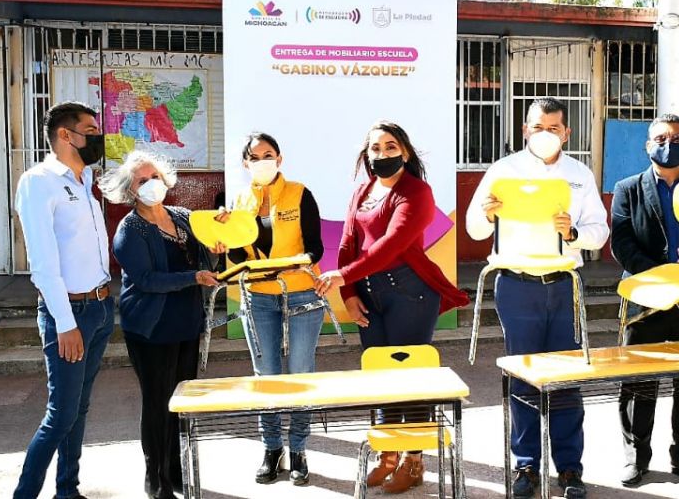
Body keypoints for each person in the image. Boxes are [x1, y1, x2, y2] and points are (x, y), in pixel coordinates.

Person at [464, 97, 609, 499]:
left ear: (567, 132)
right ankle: (526, 465)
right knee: (523, 379)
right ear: (525, 129)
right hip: (516, 286)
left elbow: (600, 231)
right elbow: (474, 228)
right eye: (537, 127)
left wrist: (574, 232)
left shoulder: (580, 174)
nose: (545, 134)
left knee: (565, 378)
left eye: (554, 128)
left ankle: (569, 468)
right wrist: (489, 214)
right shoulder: (502, 171)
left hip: (564, 285)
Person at [314, 120, 469, 494]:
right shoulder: (362, 191)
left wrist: (341, 275)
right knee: (379, 377)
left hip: (410, 293)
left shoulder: (417, 192)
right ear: (366, 155)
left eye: (390, 147)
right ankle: (387, 453)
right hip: (368, 295)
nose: (382, 154)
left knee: (410, 378)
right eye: (375, 148)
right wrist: (349, 292)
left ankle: (413, 459)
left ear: (406, 152)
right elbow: (349, 243)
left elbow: (392, 245)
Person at [609, 114, 679, 487]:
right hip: (646, 299)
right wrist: (661, 276)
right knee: (638, 383)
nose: (667, 143)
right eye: (660, 137)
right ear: (647, 145)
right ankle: (636, 457)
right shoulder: (627, 189)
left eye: (676, 137)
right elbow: (622, 244)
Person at [101, 150, 218, 499]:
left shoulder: (183, 216)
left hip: (186, 323)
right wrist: (193, 276)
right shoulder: (130, 229)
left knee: (182, 403)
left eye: (155, 177)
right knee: (157, 401)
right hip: (151, 328)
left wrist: (216, 245)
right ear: (130, 190)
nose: (151, 184)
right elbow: (147, 279)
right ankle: (155, 479)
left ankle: (176, 472)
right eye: (142, 180)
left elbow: (207, 258)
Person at [13, 102, 114, 499]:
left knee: (79, 409)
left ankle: (67, 491)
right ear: (65, 135)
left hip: (101, 307)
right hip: (70, 312)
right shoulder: (39, 182)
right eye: (90, 129)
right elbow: (42, 264)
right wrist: (65, 323)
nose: (97, 137)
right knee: (60, 416)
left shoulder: (85, 179)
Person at [214, 133, 325, 486]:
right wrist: (224, 241)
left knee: (300, 373)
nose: (262, 160)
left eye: (268, 154)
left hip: (301, 295)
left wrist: (290, 266)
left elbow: (316, 248)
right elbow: (237, 258)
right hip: (258, 298)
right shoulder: (240, 201)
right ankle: (271, 448)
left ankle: (299, 450)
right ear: (245, 163)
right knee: (266, 375)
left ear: (279, 159)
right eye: (255, 156)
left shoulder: (300, 193)